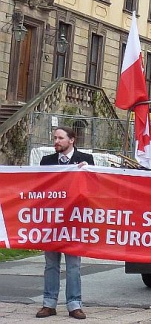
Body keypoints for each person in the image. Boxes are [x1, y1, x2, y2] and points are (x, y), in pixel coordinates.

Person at [37, 127, 94, 320]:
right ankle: (48, 303)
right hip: (53, 222)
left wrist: (88, 172)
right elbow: (40, 190)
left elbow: (94, 190)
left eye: (60, 138)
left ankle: (74, 305)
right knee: (51, 264)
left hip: (75, 221)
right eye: (54, 138)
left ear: (72, 140)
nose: (56, 141)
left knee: (73, 265)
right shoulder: (47, 162)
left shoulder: (85, 160)